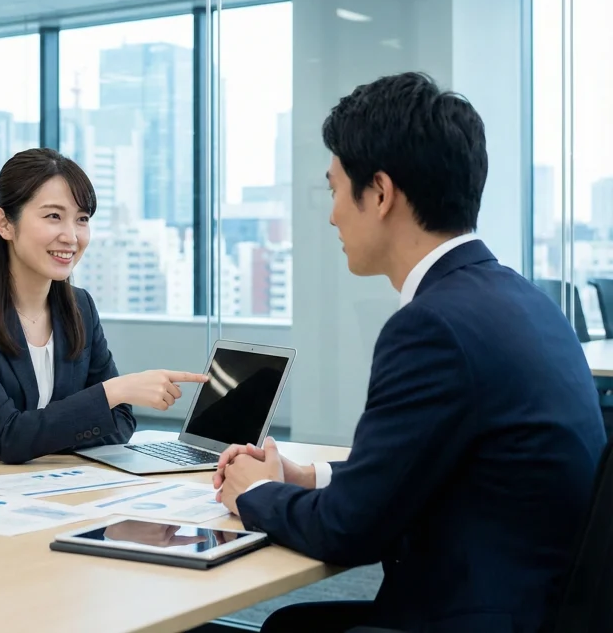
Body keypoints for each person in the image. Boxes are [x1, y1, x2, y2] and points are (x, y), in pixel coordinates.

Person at [213, 72, 606, 633]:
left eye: (334, 190)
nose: (331, 215)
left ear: (379, 192)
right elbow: (418, 468)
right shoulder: (523, 300)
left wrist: (256, 494)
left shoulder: (432, 326)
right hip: (534, 605)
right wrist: (305, 476)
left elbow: (348, 531)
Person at [0, 148, 207, 466]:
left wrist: (33, 441)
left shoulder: (80, 308)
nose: (71, 236)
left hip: (38, 485)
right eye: (53, 216)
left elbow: (120, 422)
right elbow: (10, 437)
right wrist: (113, 391)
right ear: (4, 223)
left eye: (82, 219)